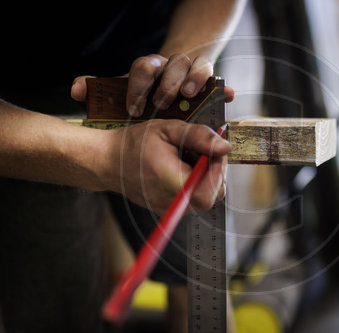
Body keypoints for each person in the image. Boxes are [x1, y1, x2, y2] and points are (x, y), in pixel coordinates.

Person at [0, 1, 245, 332]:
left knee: (201, 288)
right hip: (22, 102)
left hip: (168, 65)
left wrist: (181, 58)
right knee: (58, 312)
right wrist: (106, 156)